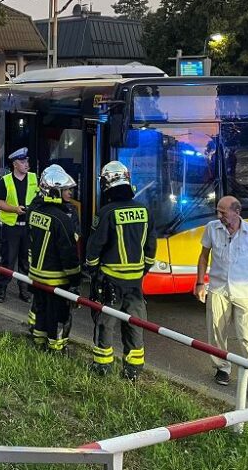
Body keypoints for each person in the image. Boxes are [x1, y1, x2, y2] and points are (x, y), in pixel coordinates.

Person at [194, 196, 248, 400]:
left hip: (244, 291)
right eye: (217, 211)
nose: (218, 216)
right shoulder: (212, 228)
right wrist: (200, 282)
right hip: (218, 289)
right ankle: (222, 368)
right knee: (217, 331)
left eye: (223, 212)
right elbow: (204, 257)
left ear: (236, 213)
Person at [85, 161, 156, 380]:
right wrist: (142, 268)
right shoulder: (144, 211)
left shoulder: (106, 212)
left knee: (106, 324)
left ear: (106, 183)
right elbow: (151, 246)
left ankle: (102, 367)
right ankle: (133, 371)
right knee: (135, 325)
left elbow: (94, 247)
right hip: (135, 282)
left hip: (110, 280)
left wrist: (93, 269)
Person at [27, 164, 81, 352]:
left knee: (41, 312)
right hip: (56, 277)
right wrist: (75, 280)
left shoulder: (34, 212)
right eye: (66, 189)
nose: (70, 193)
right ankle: (56, 349)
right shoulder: (61, 219)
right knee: (58, 315)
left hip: (36, 275)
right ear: (55, 191)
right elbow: (68, 254)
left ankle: (38, 343)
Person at [0, 147, 36, 304]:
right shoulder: (5, 181)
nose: (26, 164)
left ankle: (24, 290)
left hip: (28, 226)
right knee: (8, 260)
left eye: (27, 161)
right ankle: (1, 289)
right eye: (23, 162)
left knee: (26, 261)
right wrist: (14, 209)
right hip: (11, 226)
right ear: (15, 164)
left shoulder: (34, 178)